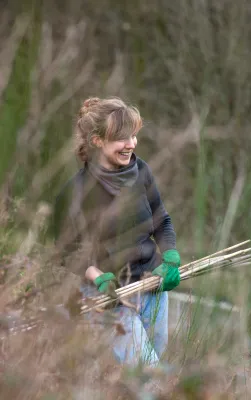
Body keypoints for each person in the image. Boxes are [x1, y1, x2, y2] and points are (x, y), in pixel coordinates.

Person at [53, 96, 181, 366]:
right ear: (97, 141)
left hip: (153, 286)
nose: (132, 144)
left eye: (134, 136)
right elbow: (68, 253)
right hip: (110, 296)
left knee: (147, 370)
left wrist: (170, 257)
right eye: (122, 138)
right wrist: (98, 278)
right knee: (150, 374)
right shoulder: (74, 193)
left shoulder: (141, 171)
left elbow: (162, 221)